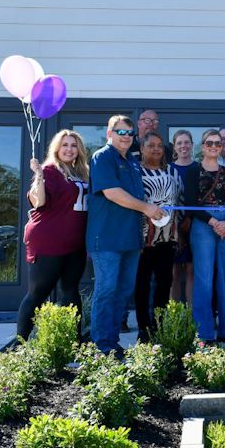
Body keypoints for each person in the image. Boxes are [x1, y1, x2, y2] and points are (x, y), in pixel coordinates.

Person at [86, 115, 166, 353]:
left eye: (130, 134)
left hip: (130, 239)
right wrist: (146, 208)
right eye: (121, 133)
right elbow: (113, 193)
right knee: (106, 290)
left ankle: (112, 342)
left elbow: (138, 197)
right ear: (109, 134)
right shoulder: (102, 157)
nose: (126, 138)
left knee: (122, 292)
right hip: (107, 239)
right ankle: (102, 345)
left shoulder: (131, 161)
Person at [18, 130, 90, 340]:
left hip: (76, 243)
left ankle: (76, 344)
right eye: (65, 145)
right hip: (49, 241)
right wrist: (38, 176)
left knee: (70, 290)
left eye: (74, 145)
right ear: (57, 148)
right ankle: (20, 345)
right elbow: (38, 201)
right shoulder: (49, 171)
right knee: (38, 294)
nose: (69, 149)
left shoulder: (82, 173)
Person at [183, 129, 225, 343]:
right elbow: (190, 203)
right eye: (209, 143)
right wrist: (214, 222)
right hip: (203, 224)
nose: (214, 146)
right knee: (204, 279)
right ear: (202, 145)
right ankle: (205, 332)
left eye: (218, 143)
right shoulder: (193, 172)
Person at [134, 133, 183, 342]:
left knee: (164, 283)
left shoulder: (171, 172)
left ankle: (160, 326)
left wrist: (179, 232)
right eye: (151, 145)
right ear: (142, 148)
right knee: (142, 283)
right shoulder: (135, 171)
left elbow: (180, 201)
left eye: (159, 146)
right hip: (142, 239)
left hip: (168, 238)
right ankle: (144, 329)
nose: (155, 149)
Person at [170, 129, 195, 304]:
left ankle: (191, 316)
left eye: (186, 142)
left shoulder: (199, 168)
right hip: (172, 227)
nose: (183, 146)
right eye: (179, 143)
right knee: (174, 272)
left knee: (191, 271)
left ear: (192, 145)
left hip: (195, 225)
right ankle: (175, 317)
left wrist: (191, 219)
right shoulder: (168, 169)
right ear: (175, 146)